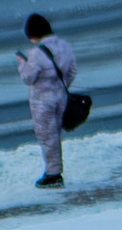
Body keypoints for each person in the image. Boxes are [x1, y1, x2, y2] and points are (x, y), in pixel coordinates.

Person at [15, 14, 77, 189]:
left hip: (42, 100)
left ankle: (53, 174)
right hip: (61, 96)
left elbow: (28, 77)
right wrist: (61, 86)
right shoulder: (65, 45)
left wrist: (22, 63)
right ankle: (54, 170)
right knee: (56, 134)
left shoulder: (36, 53)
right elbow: (72, 71)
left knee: (47, 136)